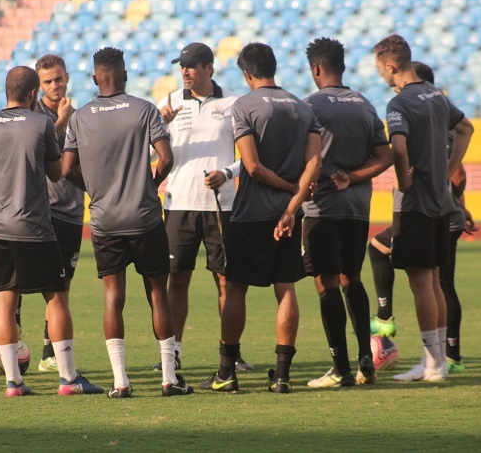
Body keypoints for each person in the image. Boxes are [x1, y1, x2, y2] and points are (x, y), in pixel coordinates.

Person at [0, 66, 103, 397]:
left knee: (5, 301)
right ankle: (69, 379)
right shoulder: (42, 122)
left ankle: (13, 382)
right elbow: (57, 174)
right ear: (32, 94)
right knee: (56, 298)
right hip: (33, 227)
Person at [62, 47, 193, 398]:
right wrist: (149, 185)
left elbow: (64, 169)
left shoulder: (80, 117)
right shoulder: (144, 109)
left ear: (94, 78)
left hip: (105, 221)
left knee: (112, 295)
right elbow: (166, 157)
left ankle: (121, 382)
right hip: (145, 218)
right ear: (125, 75)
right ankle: (169, 379)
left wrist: (94, 189)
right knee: (157, 293)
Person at [201, 42, 322, 393]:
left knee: (236, 287)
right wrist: (293, 202)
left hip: (251, 214)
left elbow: (251, 167)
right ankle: (282, 376)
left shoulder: (244, 106)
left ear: (246, 73)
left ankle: (227, 373)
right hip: (288, 215)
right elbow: (314, 164)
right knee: (285, 288)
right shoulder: (301, 108)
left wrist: (286, 191)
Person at [373, 36, 473, 382]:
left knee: (420, 283)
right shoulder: (436, 95)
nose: (381, 77)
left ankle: (431, 364)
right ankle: (439, 360)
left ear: (390, 66)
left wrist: (402, 181)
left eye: (380, 70)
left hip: (414, 204)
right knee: (433, 280)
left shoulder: (399, 103)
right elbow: (465, 128)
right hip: (441, 202)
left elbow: (398, 150)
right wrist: (447, 169)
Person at [152, 42, 251, 372]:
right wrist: (161, 126)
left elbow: (247, 157)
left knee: (225, 281)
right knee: (176, 280)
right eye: (182, 65)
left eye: (192, 65)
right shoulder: (167, 104)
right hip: (179, 204)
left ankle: (230, 354)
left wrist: (228, 173)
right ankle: (173, 352)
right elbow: (151, 155)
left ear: (209, 67)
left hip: (222, 206)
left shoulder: (234, 104)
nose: (185, 71)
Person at [301, 38, 393, 388]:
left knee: (325, 282)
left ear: (317, 69)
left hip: (321, 209)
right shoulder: (365, 105)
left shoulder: (309, 106)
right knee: (351, 278)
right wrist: (352, 177)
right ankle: (366, 360)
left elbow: (302, 159)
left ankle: (339, 369)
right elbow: (384, 157)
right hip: (357, 208)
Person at [31, 54, 82, 373]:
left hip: (71, 212)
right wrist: (60, 123)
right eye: (48, 81)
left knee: (63, 287)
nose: (55, 85)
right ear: (38, 85)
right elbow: (35, 154)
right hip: (40, 211)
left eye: (59, 79)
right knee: (21, 285)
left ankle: (49, 352)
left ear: (67, 77)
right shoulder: (30, 116)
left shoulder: (79, 116)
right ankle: (10, 347)